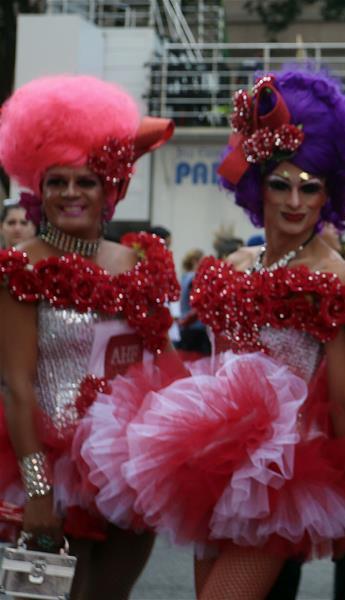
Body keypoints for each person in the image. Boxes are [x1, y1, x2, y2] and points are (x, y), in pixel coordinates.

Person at [85, 67, 345, 600]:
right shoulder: (236, 263)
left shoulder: (332, 274)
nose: (294, 201)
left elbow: (342, 396)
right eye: (281, 183)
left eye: (310, 188)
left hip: (285, 474)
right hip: (206, 463)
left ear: (329, 194)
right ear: (255, 185)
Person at [0, 74, 177, 599]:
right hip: (51, 472)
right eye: (57, 181)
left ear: (111, 187)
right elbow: (16, 385)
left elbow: (160, 363)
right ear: (38, 187)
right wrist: (38, 489)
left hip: (130, 472)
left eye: (86, 180)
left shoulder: (138, 262)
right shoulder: (20, 268)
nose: (71, 193)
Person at [175, 248, 210, 357]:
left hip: (186, 327)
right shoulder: (195, 278)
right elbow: (198, 303)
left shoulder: (184, 277)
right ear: (195, 261)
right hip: (196, 327)